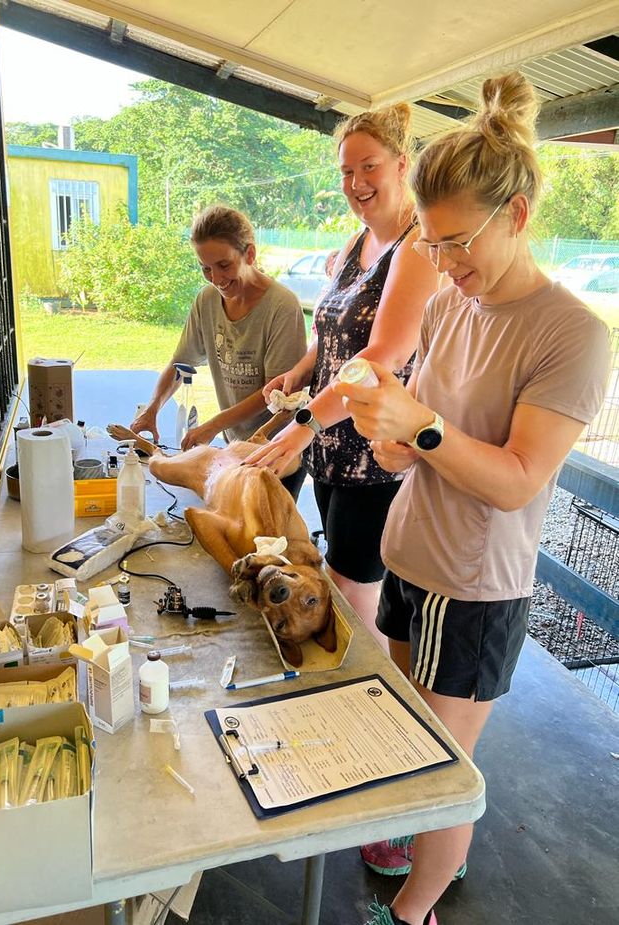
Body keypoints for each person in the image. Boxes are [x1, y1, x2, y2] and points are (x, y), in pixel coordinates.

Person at [334, 73, 611, 925]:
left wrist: (418, 431)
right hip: (413, 555)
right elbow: (431, 434)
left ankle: (413, 910)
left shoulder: (572, 334)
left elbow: (520, 478)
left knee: (442, 764)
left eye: (458, 243)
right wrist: (395, 436)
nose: (445, 266)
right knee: (408, 736)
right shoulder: (457, 303)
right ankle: (417, 873)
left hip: (477, 582)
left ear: (518, 214)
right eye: (431, 245)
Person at [243, 106, 438, 645]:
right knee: (335, 575)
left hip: (374, 451)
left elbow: (384, 354)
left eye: (368, 167)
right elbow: (328, 334)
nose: (356, 184)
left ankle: (361, 709)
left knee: (353, 595)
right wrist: (297, 373)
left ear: (402, 165)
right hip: (330, 443)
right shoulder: (355, 242)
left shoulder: (418, 247)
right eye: (346, 173)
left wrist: (305, 422)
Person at [131, 205, 307, 496]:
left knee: (265, 537)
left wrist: (212, 425)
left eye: (224, 265)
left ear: (249, 254)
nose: (215, 278)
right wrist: (152, 409)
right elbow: (180, 363)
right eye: (206, 269)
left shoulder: (282, 306)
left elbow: (275, 394)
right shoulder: (207, 300)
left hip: (278, 450)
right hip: (233, 445)